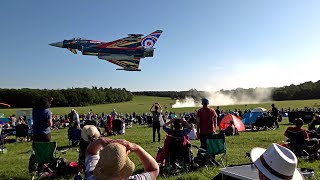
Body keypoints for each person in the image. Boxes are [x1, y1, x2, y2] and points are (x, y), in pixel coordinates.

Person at [85, 138, 159, 180]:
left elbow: (91, 152)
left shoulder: (90, 177)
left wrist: (101, 140)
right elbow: (153, 170)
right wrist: (136, 147)